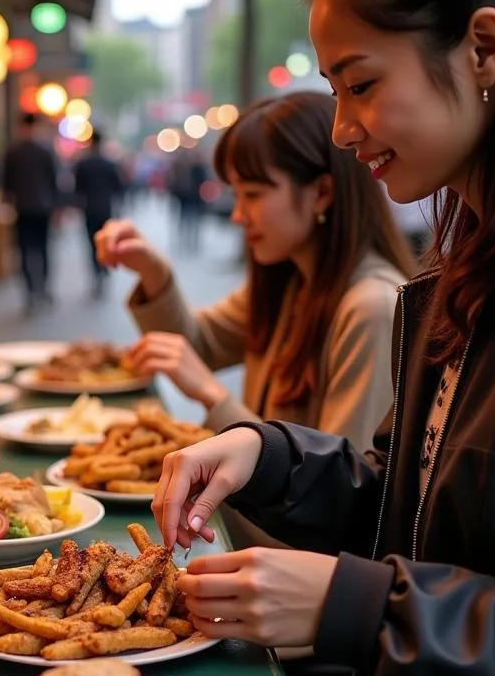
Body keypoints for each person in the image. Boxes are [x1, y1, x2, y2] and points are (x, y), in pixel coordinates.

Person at [153, 0, 495, 676]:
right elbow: (401, 488)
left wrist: (352, 602)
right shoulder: (462, 275)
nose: (344, 129)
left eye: (358, 84)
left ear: (485, 49)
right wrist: (263, 452)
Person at [97, 92, 416, 455]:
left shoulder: (371, 308)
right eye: (236, 195)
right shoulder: (294, 279)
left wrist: (214, 396)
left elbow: (341, 488)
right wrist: (152, 270)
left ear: (323, 192)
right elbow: (195, 346)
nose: (238, 215)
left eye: (253, 194)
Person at [0, 112, 59, 311]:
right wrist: (57, 206)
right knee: (43, 249)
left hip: (23, 208)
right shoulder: (46, 151)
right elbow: (54, 182)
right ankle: (43, 287)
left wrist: (7, 203)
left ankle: (31, 290)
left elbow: (6, 184)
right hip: (43, 208)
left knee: (25, 250)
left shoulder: (13, 152)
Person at [72, 128, 124, 295]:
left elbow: (77, 189)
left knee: (92, 243)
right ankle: (104, 270)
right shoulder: (109, 164)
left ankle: (96, 273)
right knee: (106, 242)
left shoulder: (83, 164)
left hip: (89, 209)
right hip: (105, 208)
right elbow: (119, 188)